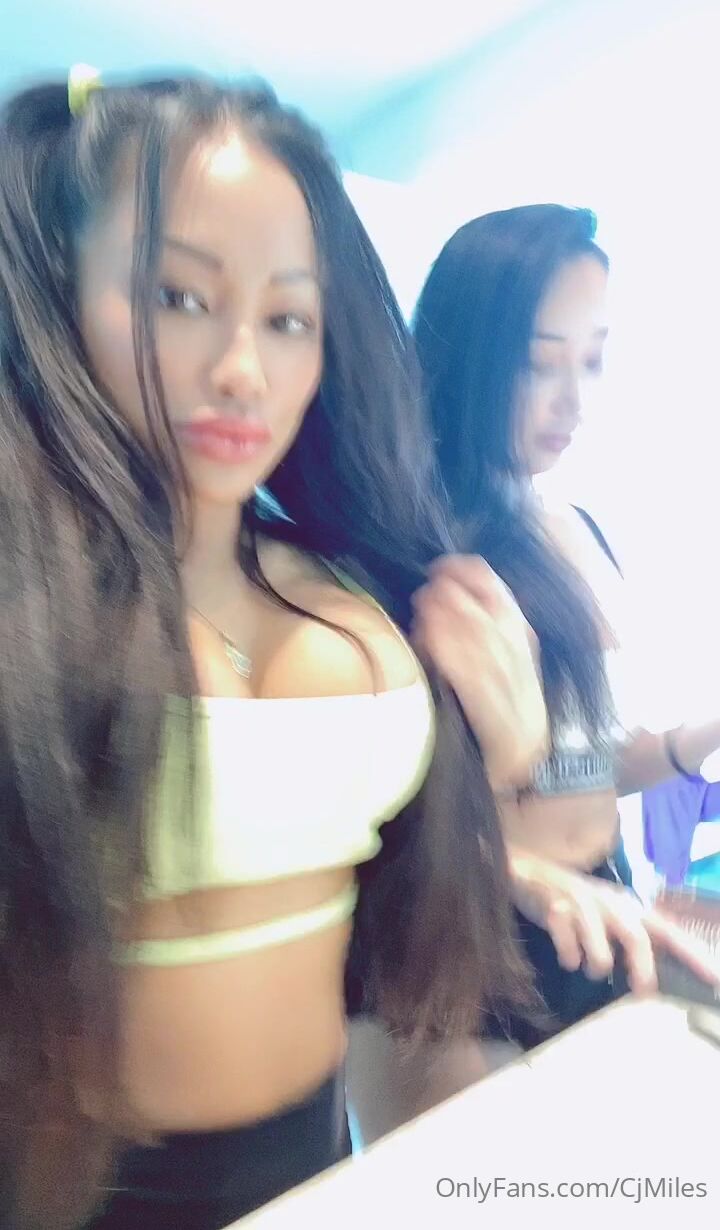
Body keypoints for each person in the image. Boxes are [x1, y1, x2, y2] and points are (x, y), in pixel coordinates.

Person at [0, 71, 550, 1230]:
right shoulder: (27, 602)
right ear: (56, 290)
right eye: (179, 297)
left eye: (289, 318)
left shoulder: (372, 580)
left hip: (322, 1166)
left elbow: (375, 912)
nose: (243, 369)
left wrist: (505, 803)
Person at [347, 204, 720, 1145]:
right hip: (459, 941)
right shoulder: (403, 552)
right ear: (469, 352)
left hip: (595, 906)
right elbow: (375, 822)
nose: (574, 399)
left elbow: (576, 769)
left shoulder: (571, 527)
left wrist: (694, 740)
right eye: (539, 363)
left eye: (593, 361)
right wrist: (520, 856)